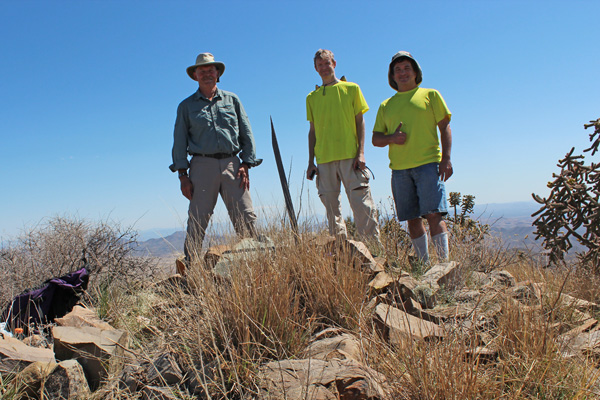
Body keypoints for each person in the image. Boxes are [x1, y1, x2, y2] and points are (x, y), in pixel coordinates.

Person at [170, 53, 261, 262]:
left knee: (245, 216)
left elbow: (247, 132)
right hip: (201, 166)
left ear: (217, 73)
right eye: (202, 71)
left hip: (233, 164)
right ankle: (191, 268)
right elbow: (179, 141)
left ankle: (255, 262)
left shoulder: (232, 100)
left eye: (211, 70)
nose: (207, 74)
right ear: (195, 75)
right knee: (198, 219)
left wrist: (246, 163)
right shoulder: (186, 106)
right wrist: (183, 175)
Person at [372, 51, 453, 263]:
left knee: (434, 215)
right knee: (412, 219)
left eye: (407, 68)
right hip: (399, 170)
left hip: (428, 165)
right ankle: (424, 266)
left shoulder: (430, 95)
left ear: (416, 72)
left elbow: (445, 127)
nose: (402, 73)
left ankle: (444, 266)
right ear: (392, 76)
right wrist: (392, 137)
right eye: (397, 70)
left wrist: (446, 159)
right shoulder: (386, 105)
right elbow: (376, 139)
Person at [306, 49, 380, 241]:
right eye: (320, 65)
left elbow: (360, 121)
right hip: (324, 160)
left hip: (350, 156)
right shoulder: (311, 98)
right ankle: (341, 253)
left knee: (363, 207)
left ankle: (374, 253)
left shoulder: (352, 89)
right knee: (332, 213)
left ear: (334, 64)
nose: (324, 68)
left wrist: (361, 153)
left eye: (326, 63)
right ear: (315, 68)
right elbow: (312, 132)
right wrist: (310, 161)